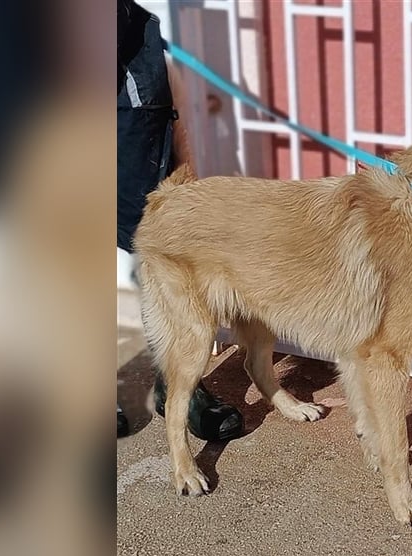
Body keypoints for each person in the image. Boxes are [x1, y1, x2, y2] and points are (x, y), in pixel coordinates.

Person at [117, 0, 243, 441]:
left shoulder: (144, 33)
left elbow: (179, 118)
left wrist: (185, 183)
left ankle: (179, 386)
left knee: (168, 271)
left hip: (134, 152)